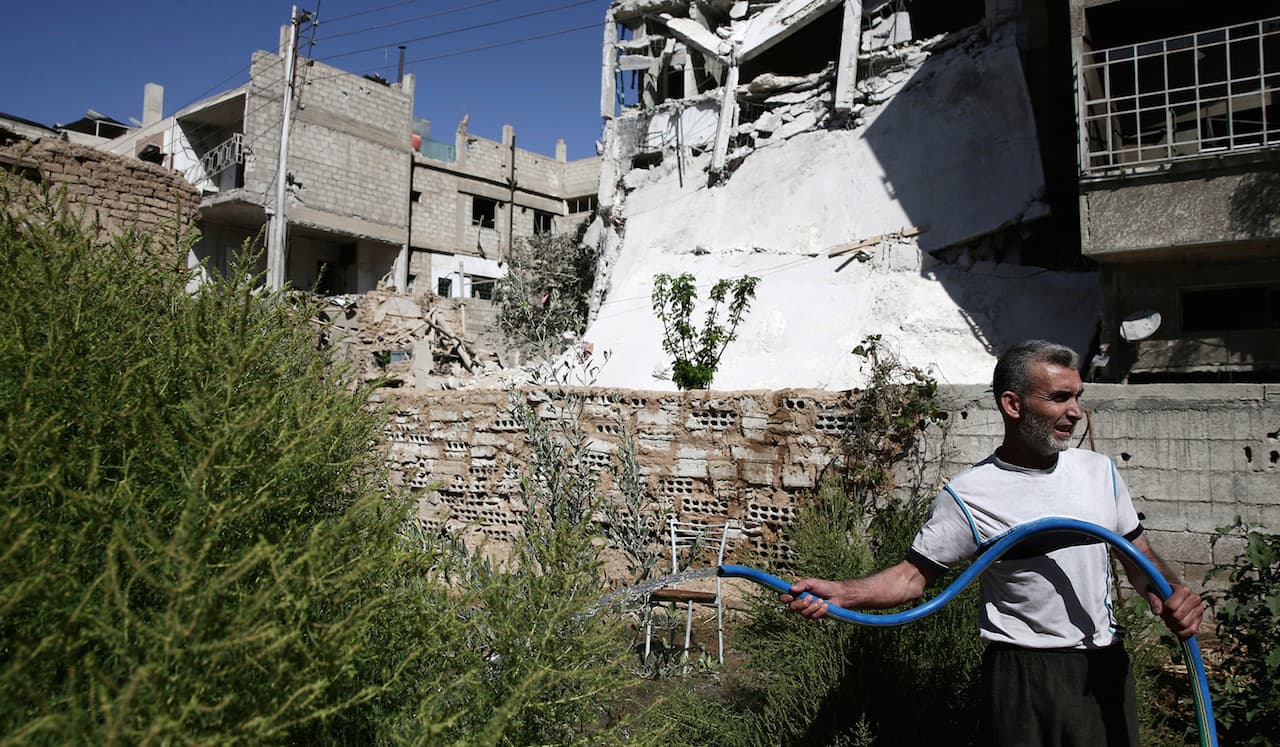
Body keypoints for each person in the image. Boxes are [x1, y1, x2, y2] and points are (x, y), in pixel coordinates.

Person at [782, 339, 1204, 746]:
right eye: (1059, 398)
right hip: (1022, 675)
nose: (1075, 412)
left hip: (1103, 666)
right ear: (1013, 404)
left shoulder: (1100, 472)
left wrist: (1168, 593)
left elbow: (1140, 557)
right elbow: (912, 578)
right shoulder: (971, 495)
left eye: (1077, 396)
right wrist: (842, 593)